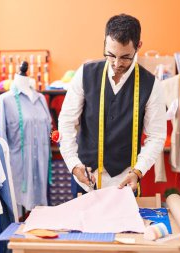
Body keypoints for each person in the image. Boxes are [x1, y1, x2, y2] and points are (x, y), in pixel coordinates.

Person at [58, 14, 167, 196]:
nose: (116, 64)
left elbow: (156, 136)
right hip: (84, 176)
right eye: (110, 55)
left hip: (125, 180)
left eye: (125, 57)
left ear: (138, 46)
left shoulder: (151, 85)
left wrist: (138, 171)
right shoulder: (85, 74)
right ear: (105, 42)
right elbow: (67, 121)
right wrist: (73, 164)